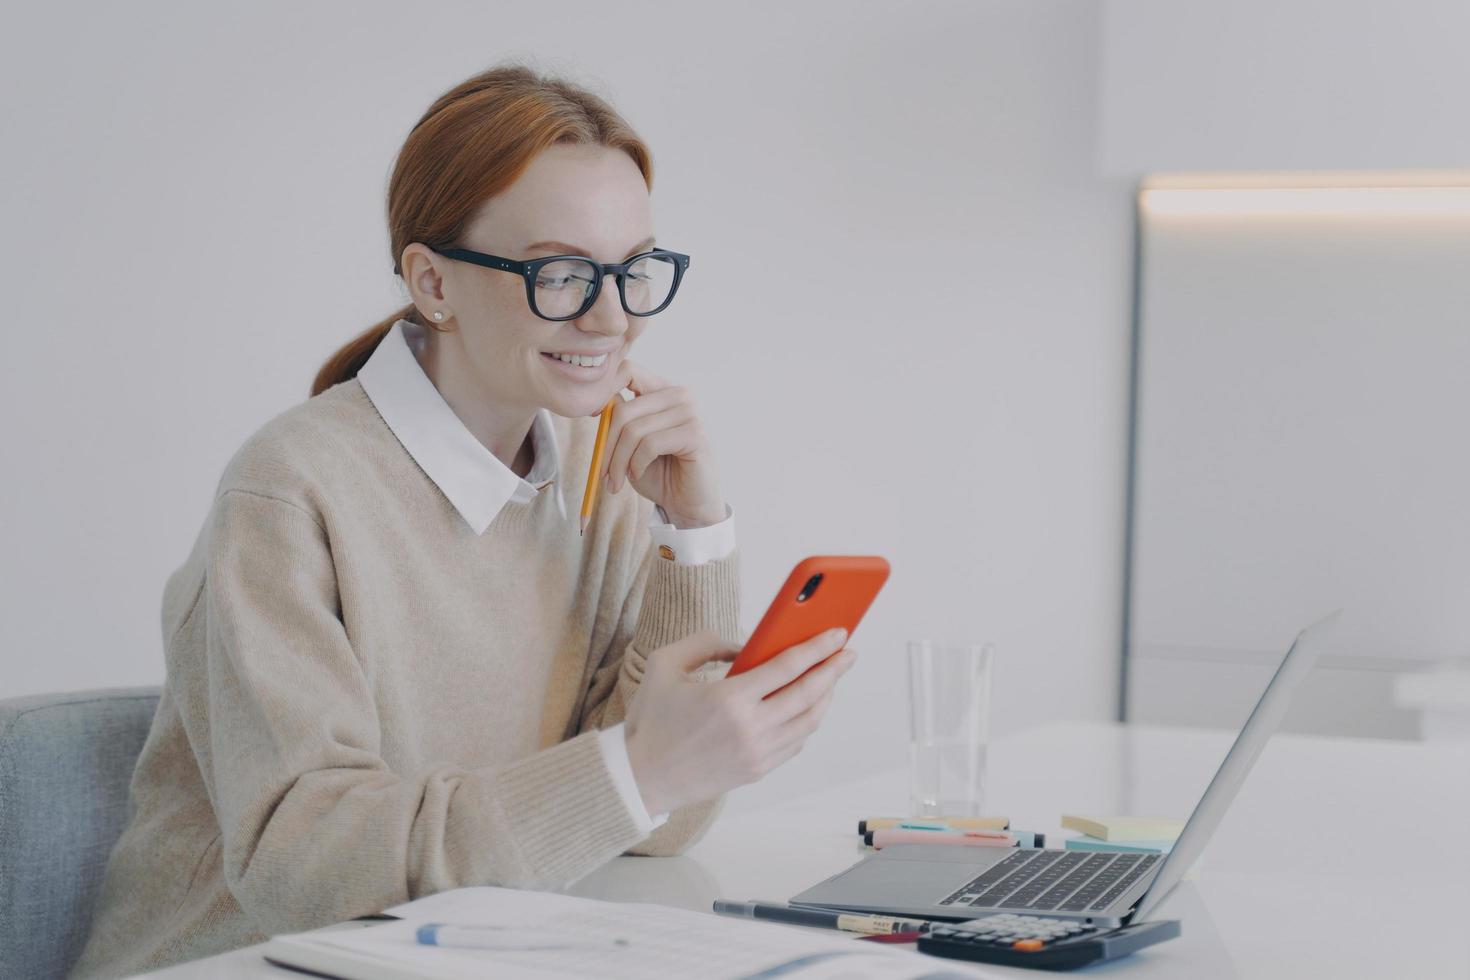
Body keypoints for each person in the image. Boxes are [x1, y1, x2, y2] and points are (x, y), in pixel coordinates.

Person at [68, 63, 858, 979]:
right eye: (563, 273)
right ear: (433, 282)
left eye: (633, 269)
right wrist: (640, 770)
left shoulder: (599, 470)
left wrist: (695, 535)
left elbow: (658, 826)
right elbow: (305, 869)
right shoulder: (290, 492)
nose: (613, 318)